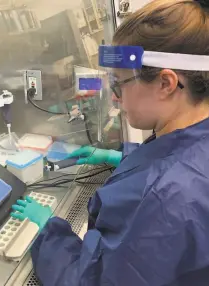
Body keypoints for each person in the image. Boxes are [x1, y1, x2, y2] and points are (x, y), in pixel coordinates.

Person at [11, 0, 209, 285]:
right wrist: (117, 156)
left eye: (119, 83)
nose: (115, 97)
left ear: (166, 84)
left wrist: (48, 233)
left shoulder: (162, 200)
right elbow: (178, 157)